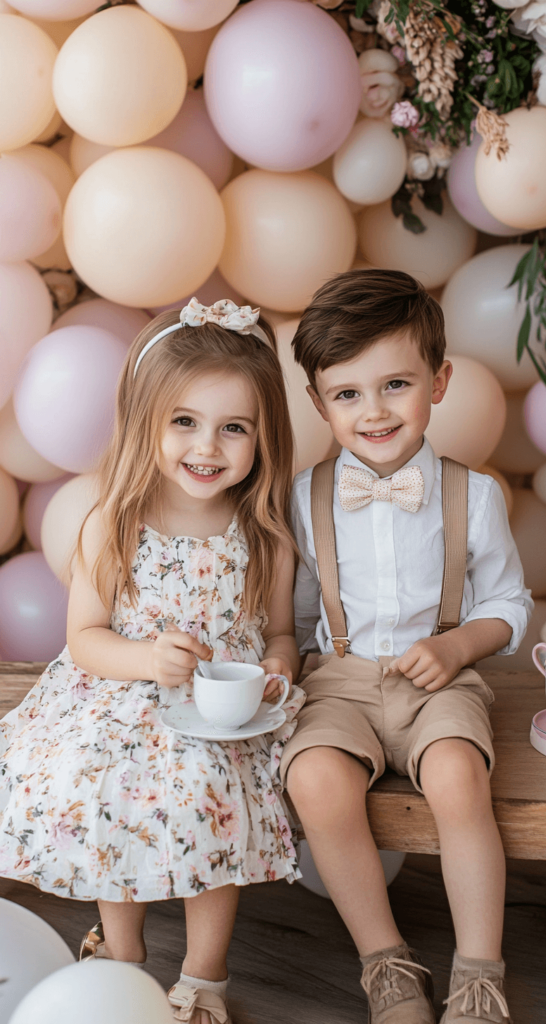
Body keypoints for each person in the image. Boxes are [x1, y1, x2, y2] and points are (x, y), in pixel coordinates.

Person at [0, 298, 305, 1024]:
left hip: (218, 712)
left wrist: (278, 667)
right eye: (185, 422)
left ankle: (205, 977)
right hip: (120, 690)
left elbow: (283, 634)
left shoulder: (263, 532)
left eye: (235, 428)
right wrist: (145, 659)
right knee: (106, 784)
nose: (208, 447)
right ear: (147, 420)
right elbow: (85, 638)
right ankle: (123, 956)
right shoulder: (114, 520)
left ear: (264, 436)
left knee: (210, 793)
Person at [282, 270, 533, 1024]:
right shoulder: (303, 496)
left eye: (396, 383)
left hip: (441, 684)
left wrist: (458, 650)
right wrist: (278, 672)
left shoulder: (475, 494)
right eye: (348, 393)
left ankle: (479, 973)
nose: (375, 409)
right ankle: (384, 964)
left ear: (440, 381)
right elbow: (296, 619)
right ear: (320, 402)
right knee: (317, 781)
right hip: (340, 681)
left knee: (458, 776)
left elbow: (509, 603)